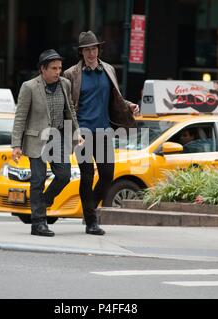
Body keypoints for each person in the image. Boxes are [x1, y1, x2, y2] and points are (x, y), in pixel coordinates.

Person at [63, 31, 139, 236]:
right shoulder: (72, 74)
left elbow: (116, 97)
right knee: (87, 177)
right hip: (83, 133)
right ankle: (91, 221)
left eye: (94, 48)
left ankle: (89, 210)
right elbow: (67, 105)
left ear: (99, 50)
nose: (91, 53)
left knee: (107, 175)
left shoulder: (109, 70)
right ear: (81, 52)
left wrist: (129, 105)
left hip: (104, 131)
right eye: (87, 49)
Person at [11, 49, 82, 237]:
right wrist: (16, 145)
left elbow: (70, 111)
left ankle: (42, 203)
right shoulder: (29, 87)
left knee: (64, 175)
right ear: (43, 69)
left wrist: (77, 133)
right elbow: (20, 117)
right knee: (37, 180)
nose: (58, 72)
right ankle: (38, 223)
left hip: (58, 137)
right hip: (36, 139)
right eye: (53, 68)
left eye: (59, 68)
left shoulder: (65, 84)